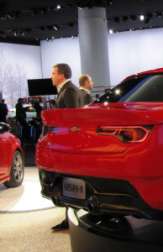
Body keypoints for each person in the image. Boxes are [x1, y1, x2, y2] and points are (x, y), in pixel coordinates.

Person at [50, 63, 81, 231]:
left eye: (53, 73)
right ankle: (69, 218)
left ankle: (71, 219)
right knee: (67, 182)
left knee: (69, 182)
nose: (51, 76)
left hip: (69, 144)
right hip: (65, 142)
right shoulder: (65, 90)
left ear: (62, 75)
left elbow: (73, 120)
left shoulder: (69, 91)